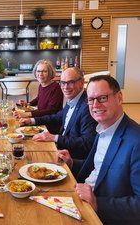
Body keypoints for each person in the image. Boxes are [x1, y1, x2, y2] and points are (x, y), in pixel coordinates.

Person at [57, 75, 140, 225]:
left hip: (101, 214)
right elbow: (99, 169)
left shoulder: (136, 141)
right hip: (79, 195)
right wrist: (71, 163)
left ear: (119, 98)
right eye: (90, 99)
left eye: (102, 98)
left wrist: (97, 203)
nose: (95, 105)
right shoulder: (102, 128)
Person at [19, 67, 97, 159]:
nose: (65, 87)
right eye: (63, 83)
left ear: (81, 82)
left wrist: (54, 138)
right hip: (60, 148)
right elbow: (56, 117)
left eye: (70, 82)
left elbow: (86, 143)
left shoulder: (88, 106)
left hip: (70, 157)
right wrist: (31, 121)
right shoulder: (73, 99)